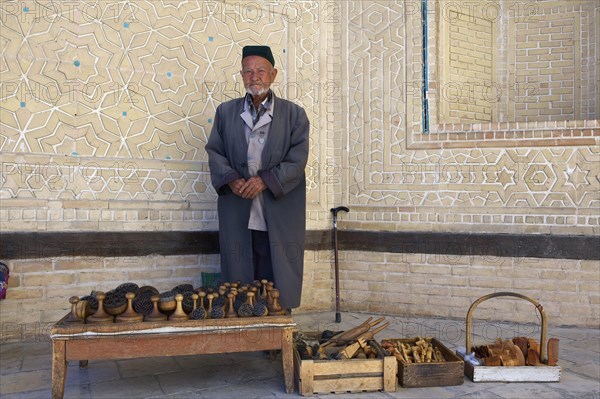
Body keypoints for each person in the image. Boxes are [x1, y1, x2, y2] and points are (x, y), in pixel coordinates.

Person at [205, 45, 310, 310]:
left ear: (273, 74)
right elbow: (215, 151)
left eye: (261, 70)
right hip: (239, 207)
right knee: (240, 274)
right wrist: (231, 179)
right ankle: (243, 330)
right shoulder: (225, 112)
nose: (255, 77)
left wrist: (264, 180)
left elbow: (297, 161)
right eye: (248, 72)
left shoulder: (294, 115)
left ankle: (275, 336)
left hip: (277, 210)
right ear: (242, 76)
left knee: (275, 274)